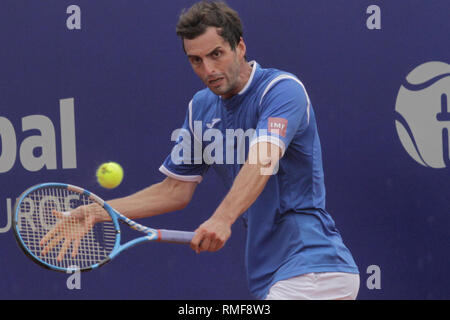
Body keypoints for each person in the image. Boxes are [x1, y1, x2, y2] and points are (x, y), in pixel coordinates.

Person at [42, 1, 359, 300]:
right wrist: (99, 211)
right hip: (271, 275)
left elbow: (263, 159)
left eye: (217, 54)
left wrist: (222, 218)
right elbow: (174, 190)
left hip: (312, 264)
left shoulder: (281, 90)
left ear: (240, 47)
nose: (208, 69)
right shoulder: (201, 108)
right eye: (196, 60)